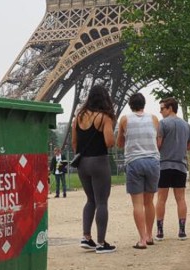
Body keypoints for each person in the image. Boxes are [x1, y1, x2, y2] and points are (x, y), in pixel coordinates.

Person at [72, 84, 117, 254]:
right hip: (99, 162)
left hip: (82, 163)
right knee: (102, 202)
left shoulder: (79, 117)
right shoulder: (104, 117)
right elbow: (109, 142)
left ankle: (86, 237)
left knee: (90, 200)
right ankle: (100, 243)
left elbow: (74, 142)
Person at [116, 93, 160, 249]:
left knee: (137, 204)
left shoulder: (125, 119)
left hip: (134, 162)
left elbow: (119, 143)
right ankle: (149, 236)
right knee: (149, 202)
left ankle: (141, 240)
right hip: (152, 162)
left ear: (130, 105)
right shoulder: (154, 119)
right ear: (144, 104)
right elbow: (157, 141)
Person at [155, 97, 190, 241]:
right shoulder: (186, 125)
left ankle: (160, 231)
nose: (160, 112)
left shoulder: (163, 124)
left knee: (161, 199)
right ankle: (182, 230)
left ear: (170, 108)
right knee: (181, 199)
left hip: (164, 165)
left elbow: (158, 145)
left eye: (162, 108)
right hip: (180, 165)